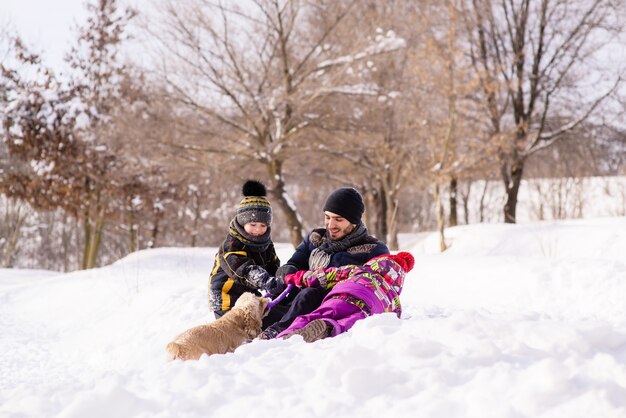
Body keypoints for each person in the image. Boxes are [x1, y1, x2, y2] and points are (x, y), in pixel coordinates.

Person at [259, 186, 390, 339]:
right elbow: (295, 263)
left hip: (334, 306)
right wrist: (287, 271)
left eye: (338, 219)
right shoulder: (315, 239)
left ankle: (279, 332)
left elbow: (378, 288)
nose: (330, 225)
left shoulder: (373, 250)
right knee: (267, 311)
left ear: (354, 221)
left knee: (309, 295)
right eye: (328, 217)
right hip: (296, 304)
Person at [277, 251, 415, 342]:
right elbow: (392, 320)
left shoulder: (359, 270)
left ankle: (286, 336)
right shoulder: (394, 299)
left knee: (314, 315)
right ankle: (328, 327)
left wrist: (294, 277)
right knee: (347, 324)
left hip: (344, 294)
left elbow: (323, 276)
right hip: (367, 308)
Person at [208, 179, 287, 328]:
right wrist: (266, 281)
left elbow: (273, 265)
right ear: (242, 222)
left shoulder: (266, 244)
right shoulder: (231, 245)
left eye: (263, 225)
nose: (258, 230)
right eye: (253, 224)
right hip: (227, 296)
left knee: (266, 320)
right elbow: (244, 270)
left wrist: (281, 278)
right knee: (236, 329)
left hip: (249, 294)